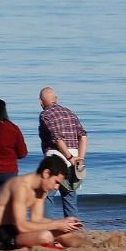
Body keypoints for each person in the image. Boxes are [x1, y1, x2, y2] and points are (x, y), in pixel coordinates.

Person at [0, 154, 86, 250]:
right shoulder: (20, 186)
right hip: (0, 235)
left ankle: (89, 247)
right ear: (46, 173)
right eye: (56, 182)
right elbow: (21, 226)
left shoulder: (41, 190)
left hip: (15, 232)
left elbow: (37, 219)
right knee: (46, 236)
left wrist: (65, 223)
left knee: (64, 233)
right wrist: (56, 224)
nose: (56, 187)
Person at [37, 86, 87, 219]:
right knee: (70, 196)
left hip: (56, 156)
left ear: (41, 102)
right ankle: (73, 227)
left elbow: (57, 138)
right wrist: (80, 157)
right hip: (74, 155)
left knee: (47, 194)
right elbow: (83, 136)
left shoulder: (45, 115)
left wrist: (69, 156)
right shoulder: (70, 112)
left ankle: (48, 225)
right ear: (56, 99)